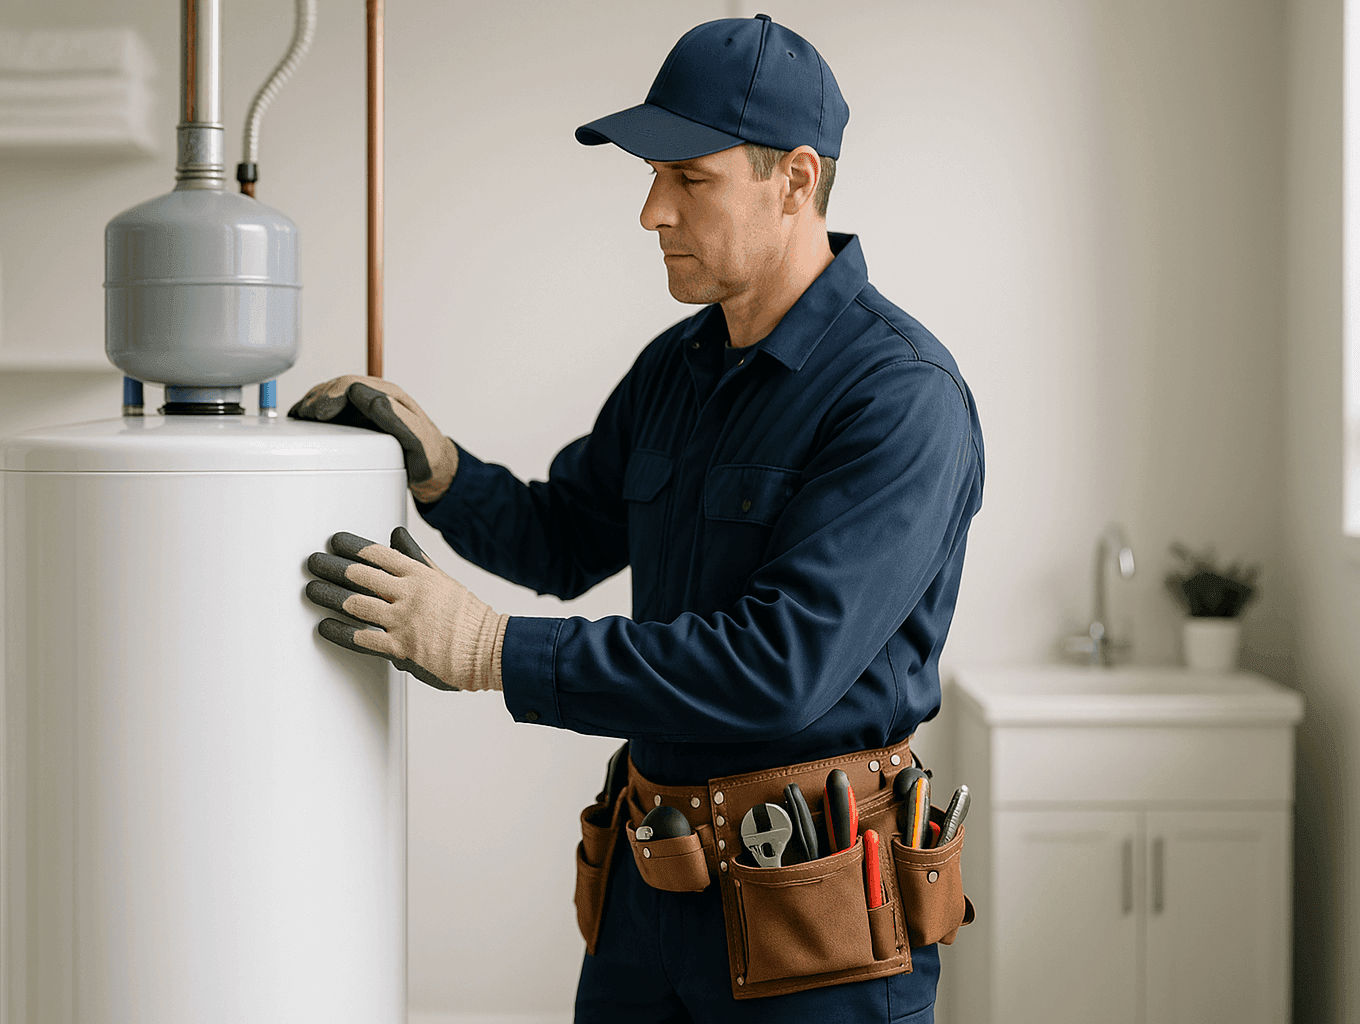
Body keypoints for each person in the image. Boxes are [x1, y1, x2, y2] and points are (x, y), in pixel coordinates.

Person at [292, 14, 983, 1024]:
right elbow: (566, 537)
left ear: (794, 178)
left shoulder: (900, 397)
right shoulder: (679, 367)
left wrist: (490, 649)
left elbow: (777, 665)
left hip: (815, 935)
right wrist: (438, 466)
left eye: (689, 178)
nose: (652, 210)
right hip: (651, 895)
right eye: (651, 175)